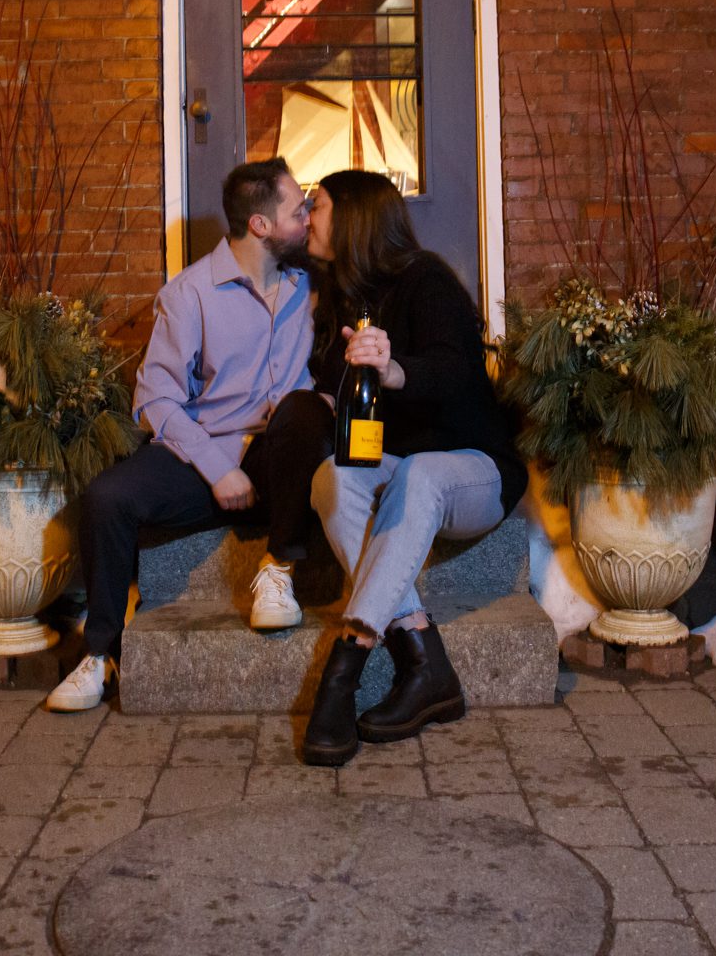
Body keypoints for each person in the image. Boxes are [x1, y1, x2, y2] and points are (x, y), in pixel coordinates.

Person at [45, 158, 333, 711]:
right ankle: (99, 653)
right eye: (299, 211)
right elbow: (154, 400)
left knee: (301, 410)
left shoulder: (308, 287)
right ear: (261, 226)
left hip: (283, 459)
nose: (307, 220)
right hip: (210, 457)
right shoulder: (189, 294)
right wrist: (215, 466)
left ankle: (278, 570)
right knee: (108, 499)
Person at [299, 170, 528, 765]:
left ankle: (344, 668)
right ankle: (426, 664)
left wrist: (396, 370)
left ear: (352, 218)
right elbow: (333, 384)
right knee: (333, 476)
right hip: (398, 469)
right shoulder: (343, 297)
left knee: (419, 472)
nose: (306, 216)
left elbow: (458, 374)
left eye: (316, 206)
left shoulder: (427, 281)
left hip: (476, 470)